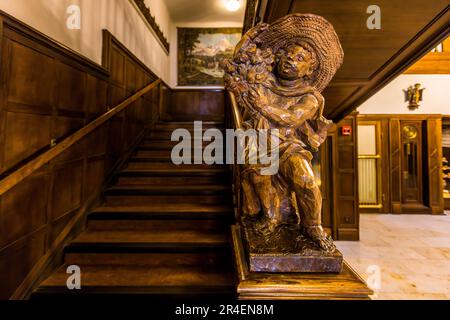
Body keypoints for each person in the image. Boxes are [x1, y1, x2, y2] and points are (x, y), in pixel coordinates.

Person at [224, 14, 344, 252]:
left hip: (289, 147)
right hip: (259, 143)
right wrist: (247, 41)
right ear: (278, 56)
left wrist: (262, 106)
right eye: (288, 54)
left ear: (309, 69)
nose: (291, 59)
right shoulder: (263, 82)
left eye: (300, 58)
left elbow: (291, 118)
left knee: (306, 180)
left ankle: (313, 227)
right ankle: (271, 218)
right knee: (258, 173)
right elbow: (238, 68)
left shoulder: (310, 96)